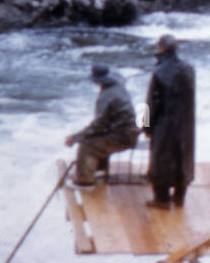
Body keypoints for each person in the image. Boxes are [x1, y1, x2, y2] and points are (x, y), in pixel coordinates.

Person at [65, 64, 139, 187]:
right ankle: (99, 171)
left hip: (123, 138)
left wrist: (75, 138)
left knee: (86, 145)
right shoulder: (119, 86)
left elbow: (98, 126)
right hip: (131, 133)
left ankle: (85, 182)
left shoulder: (105, 97)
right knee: (100, 137)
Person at [144, 34, 195, 209]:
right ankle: (180, 197)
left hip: (164, 124)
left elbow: (151, 103)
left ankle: (162, 199)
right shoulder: (189, 69)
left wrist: (146, 126)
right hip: (186, 125)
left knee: (160, 160)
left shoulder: (158, 72)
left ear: (161, 49)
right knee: (183, 158)